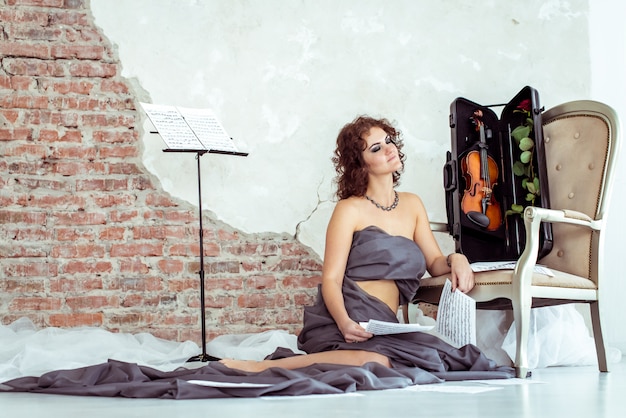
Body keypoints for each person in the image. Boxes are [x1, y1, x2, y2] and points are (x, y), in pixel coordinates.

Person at [221, 116, 510, 378]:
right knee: (377, 364)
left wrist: (457, 257)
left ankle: (350, 358)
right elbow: (331, 279)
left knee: (441, 360)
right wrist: (345, 323)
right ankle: (264, 367)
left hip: (384, 323)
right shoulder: (349, 210)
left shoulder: (412, 204)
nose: (388, 149)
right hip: (346, 319)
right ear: (360, 164)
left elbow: (435, 262)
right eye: (375, 149)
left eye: (388, 141)